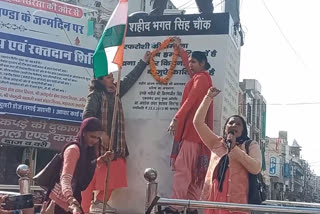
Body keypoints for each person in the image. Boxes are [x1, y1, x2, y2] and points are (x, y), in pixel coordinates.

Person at [81, 51, 152, 213]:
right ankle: (83, 209)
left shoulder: (116, 91)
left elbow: (129, 80)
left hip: (115, 146)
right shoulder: (96, 95)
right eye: (107, 77)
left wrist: (144, 62)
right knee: (88, 182)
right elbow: (87, 117)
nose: (112, 78)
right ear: (99, 81)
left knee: (115, 173)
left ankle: (98, 202)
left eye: (111, 76)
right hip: (96, 146)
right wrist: (101, 134)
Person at [193, 87, 262, 214]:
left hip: (237, 205)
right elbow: (198, 123)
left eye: (238, 124)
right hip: (213, 202)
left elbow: (256, 168)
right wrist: (208, 97)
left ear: (243, 130)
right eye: (230, 123)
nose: (234, 125)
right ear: (225, 128)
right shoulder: (216, 143)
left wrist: (234, 148)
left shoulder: (250, 145)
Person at [166, 40, 215, 214]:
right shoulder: (201, 78)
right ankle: (191, 208)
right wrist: (181, 51)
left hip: (192, 134)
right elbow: (189, 68)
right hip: (199, 137)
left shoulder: (201, 79)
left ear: (202, 64)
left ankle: (174, 207)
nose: (191, 65)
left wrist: (177, 118)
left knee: (183, 170)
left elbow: (191, 100)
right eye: (191, 62)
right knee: (194, 175)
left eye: (194, 62)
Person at [41, 117, 114, 214]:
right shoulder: (73, 150)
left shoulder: (86, 150)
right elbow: (65, 178)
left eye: (97, 138)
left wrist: (101, 160)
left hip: (72, 199)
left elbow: (84, 168)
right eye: (92, 136)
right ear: (84, 133)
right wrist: (70, 199)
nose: (95, 141)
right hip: (58, 201)